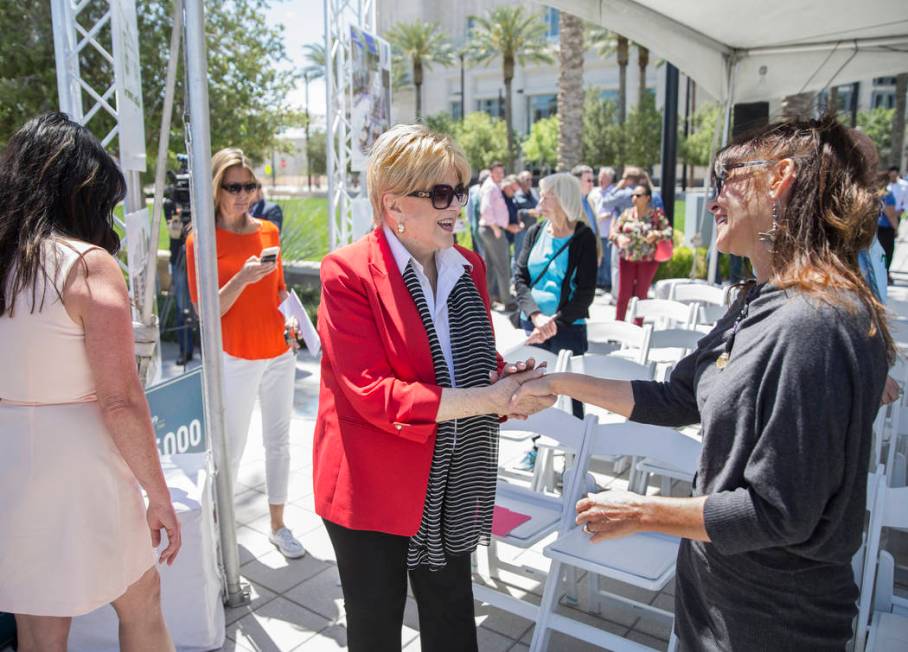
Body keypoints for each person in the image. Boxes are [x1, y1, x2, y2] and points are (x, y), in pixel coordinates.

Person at [513, 116, 892, 651]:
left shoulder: (815, 323)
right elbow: (676, 397)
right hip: (715, 600)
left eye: (726, 178)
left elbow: (777, 511)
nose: (713, 201)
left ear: (780, 176)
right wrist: (558, 382)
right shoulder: (759, 299)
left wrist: (642, 513)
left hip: (773, 623)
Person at [314, 124, 554, 652]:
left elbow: (466, 361)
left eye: (460, 191)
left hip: (453, 482)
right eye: (441, 193)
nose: (456, 205)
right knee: (376, 633)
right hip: (372, 489)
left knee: (451, 624)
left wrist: (505, 386)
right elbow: (372, 392)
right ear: (393, 202)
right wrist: (484, 400)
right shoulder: (347, 273)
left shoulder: (465, 264)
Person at [0, 112, 181, 650]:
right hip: (79, 461)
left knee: (40, 628)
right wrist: (159, 494)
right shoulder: (86, 265)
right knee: (141, 599)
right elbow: (120, 400)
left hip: (10, 455)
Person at [185, 148, 305, 559]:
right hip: (234, 355)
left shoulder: (269, 230)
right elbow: (207, 312)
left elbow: (279, 290)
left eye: (248, 186)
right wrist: (241, 277)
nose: (242, 194)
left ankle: (278, 525)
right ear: (216, 188)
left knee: (280, 442)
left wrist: (296, 326)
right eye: (233, 186)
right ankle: (221, 530)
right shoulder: (199, 239)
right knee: (230, 448)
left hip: (278, 351)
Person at [512, 172, 598, 470]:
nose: (541, 200)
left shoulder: (583, 237)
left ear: (563, 198)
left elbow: (585, 294)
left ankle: (575, 458)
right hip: (533, 323)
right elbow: (520, 278)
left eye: (547, 195)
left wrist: (553, 323)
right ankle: (537, 446)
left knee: (571, 392)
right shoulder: (535, 232)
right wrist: (535, 315)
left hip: (568, 329)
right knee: (534, 388)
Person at [610, 184, 672, 322]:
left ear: (647, 198)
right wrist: (618, 237)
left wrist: (656, 233)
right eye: (632, 195)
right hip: (627, 259)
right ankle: (618, 325)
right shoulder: (626, 214)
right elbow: (614, 232)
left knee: (641, 294)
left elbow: (669, 232)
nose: (634, 198)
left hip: (648, 260)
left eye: (638, 195)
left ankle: (637, 328)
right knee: (623, 294)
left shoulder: (656, 215)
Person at [478, 161, 515, 308]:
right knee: (503, 265)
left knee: (492, 267)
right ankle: (507, 300)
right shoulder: (490, 187)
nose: (500, 175)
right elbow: (485, 209)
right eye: (497, 172)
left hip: (490, 229)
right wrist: (496, 228)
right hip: (492, 230)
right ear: (491, 172)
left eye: (502, 172)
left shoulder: (493, 185)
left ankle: (490, 299)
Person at [166, 197, 195, 365]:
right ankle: (185, 350)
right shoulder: (170, 203)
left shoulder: (203, 198)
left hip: (200, 257)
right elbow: (173, 229)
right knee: (182, 307)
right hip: (179, 257)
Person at [590, 166, 616, 291]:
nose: (601, 179)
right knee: (596, 258)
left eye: (604, 177)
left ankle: (606, 282)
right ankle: (597, 281)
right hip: (595, 231)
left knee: (607, 258)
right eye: (600, 176)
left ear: (610, 179)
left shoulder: (614, 192)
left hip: (607, 231)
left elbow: (614, 211)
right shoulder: (594, 192)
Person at [876, 171, 899, 284]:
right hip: (885, 229)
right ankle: (884, 274)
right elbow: (891, 214)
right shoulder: (887, 195)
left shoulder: (871, 193)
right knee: (887, 253)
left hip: (874, 228)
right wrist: (896, 228)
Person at [466, 169, 489, 256]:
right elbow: (469, 208)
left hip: (488, 226)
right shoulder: (473, 190)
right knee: (478, 250)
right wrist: (471, 223)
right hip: (475, 225)